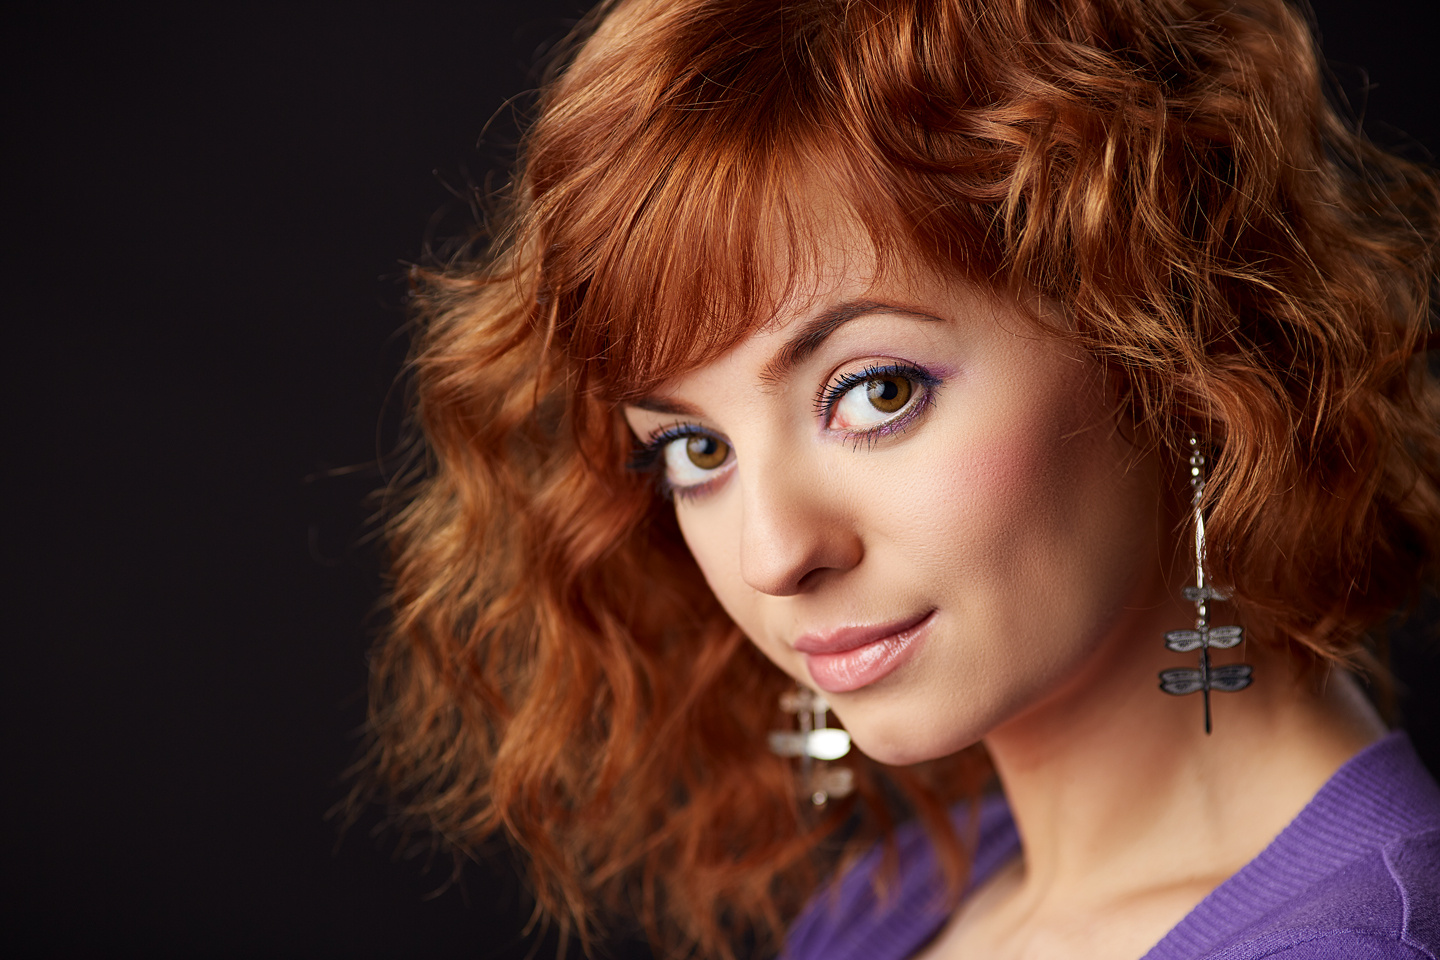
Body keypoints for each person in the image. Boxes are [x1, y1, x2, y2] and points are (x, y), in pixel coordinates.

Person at [362, 0, 1440, 957]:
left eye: (875, 392)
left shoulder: (1346, 943)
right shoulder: (901, 901)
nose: (773, 554)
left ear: (1175, 338)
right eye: (695, 449)